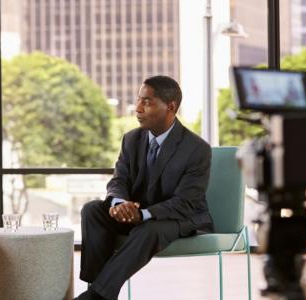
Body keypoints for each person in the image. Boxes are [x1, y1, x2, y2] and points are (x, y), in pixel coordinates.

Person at [76, 75, 213, 300]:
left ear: (171, 107)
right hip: (138, 213)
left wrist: (144, 214)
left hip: (179, 218)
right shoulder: (131, 139)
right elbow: (118, 181)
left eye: (147, 102)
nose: (137, 108)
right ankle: (98, 289)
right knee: (92, 210)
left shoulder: (197, 149)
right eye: (138, 100)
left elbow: (186, 202)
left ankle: (95, 297)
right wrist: (120, 204)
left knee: (148, 229)